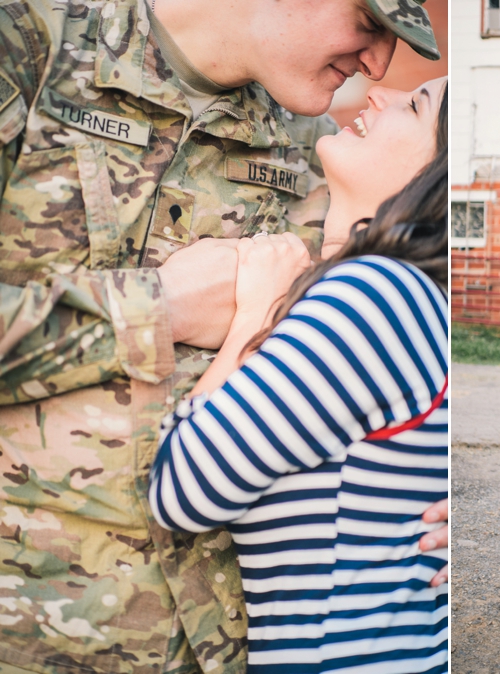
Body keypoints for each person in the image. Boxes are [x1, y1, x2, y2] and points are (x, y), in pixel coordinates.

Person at [0, 1, 444, 671]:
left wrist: (435, 489)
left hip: (240, 646)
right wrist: (160, 308)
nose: (378, 64)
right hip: (36, 637)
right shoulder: (27, 46)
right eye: (370, 21)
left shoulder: (318, 149)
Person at [149, 78, 448, 672]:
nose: (379, 93)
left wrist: (254, 312)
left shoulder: (374, 296)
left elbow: (180, 493)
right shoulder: (413, 298)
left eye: (416, 104)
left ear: (438, 173)